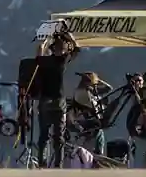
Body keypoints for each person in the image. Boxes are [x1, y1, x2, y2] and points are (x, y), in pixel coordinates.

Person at [32, 31, 80, 168]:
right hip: (59, 102)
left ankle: (42, 163)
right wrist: (69, 36)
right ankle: (58, 165)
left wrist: (46, 40)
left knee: (44, 135)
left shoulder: (44, 62)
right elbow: (76, 49)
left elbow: (39, 51)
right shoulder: (62, 60)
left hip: (45, 101)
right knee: (59, 137)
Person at [71, 72, 112, 155]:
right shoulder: (81, 92)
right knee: (89, 150)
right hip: (86, 124)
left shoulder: (90, 91)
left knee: (99, 139)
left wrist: (98, 81)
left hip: (94, 125)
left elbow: (109, 88)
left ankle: (98, 155)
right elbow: (92, 106)